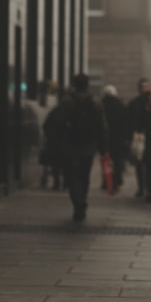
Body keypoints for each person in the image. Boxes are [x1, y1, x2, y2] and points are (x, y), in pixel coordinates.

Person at [50, 73, 109, 222]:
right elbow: (102, 126)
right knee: (84, 175)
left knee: (71, 176)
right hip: (89, 145)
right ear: (87, 85)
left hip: (70, 144)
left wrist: (57, 141)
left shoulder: (66, 101)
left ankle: (78, 202)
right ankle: (81, 200)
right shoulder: (96, 101)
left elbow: (57, 123)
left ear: (74, 85)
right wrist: (103, 146)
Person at [100, 84, 131, 194]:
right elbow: (125, 122)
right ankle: (117, 181)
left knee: (106, 161)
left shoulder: (101, 105)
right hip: (118, 138)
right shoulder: (119, 105)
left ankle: (106, 181)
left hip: (105, 137)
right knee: (118, 162)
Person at [127, 77, 151, 197]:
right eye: (142, 86)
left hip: (150, 136)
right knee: (139, 163)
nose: (144, 89)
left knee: (148, 165)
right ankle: (141, 187)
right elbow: (129, 119)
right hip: (138, 136)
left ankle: (148, 187)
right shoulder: (134, 102)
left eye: (145, 86)